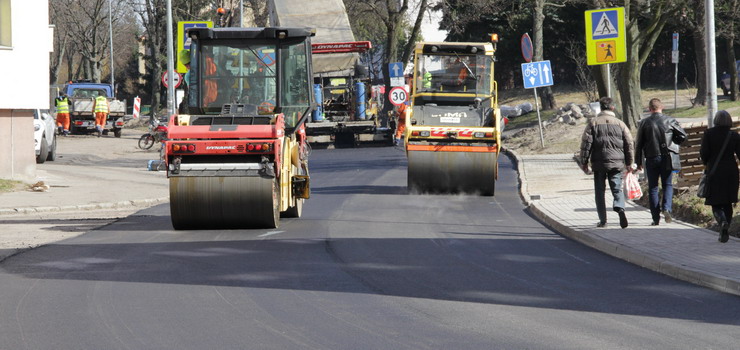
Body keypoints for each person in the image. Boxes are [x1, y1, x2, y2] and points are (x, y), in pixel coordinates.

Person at [579, 96, 634, 228]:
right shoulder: (621, 124)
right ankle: (620, 207)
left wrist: (584, 162)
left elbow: (586, 144)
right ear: (612, 108)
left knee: (599, 192)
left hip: (599, 164)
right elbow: (629, 144)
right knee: (617, 189)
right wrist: (629, 162)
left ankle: (603, 220)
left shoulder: (593, 123)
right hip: (617, 164)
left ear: (601, 108)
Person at [635, 98, 687, 225]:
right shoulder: (670, 120)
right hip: (667, 157)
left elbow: (639, 144)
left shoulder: (644, 123)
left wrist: (638, 162)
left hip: (651, 157)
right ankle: (667, 208)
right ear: (661, 107)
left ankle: (655, 218)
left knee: (653, 187)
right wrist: (673, 143)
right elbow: (683, 135)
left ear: (649, 109)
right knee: (667, 185)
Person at [700, 110, 740, 243]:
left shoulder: (709, 134)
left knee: (715, 201)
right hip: (731, 172)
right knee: (728, 201)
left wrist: (706, 162)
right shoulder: (734, 135)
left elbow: (704, 153)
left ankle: (722, 221)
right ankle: (726, 228)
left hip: (714, 171)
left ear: (716, 120)